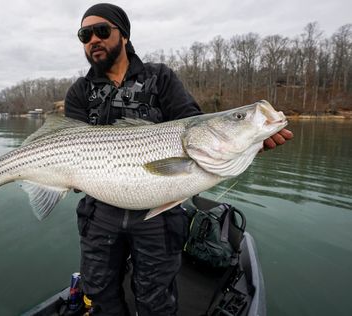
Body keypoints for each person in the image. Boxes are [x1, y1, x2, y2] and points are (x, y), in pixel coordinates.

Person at [64, 3, 292, 315]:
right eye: (84, 34)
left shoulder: (161, 78)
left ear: (124, 36)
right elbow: (70, 151)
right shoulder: (79, 92)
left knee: (156, 301)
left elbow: (194, 122)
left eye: (101, 31)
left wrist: (250, 139)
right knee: (100, 297)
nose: (93, 40)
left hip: (160, 217)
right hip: (99, 216)